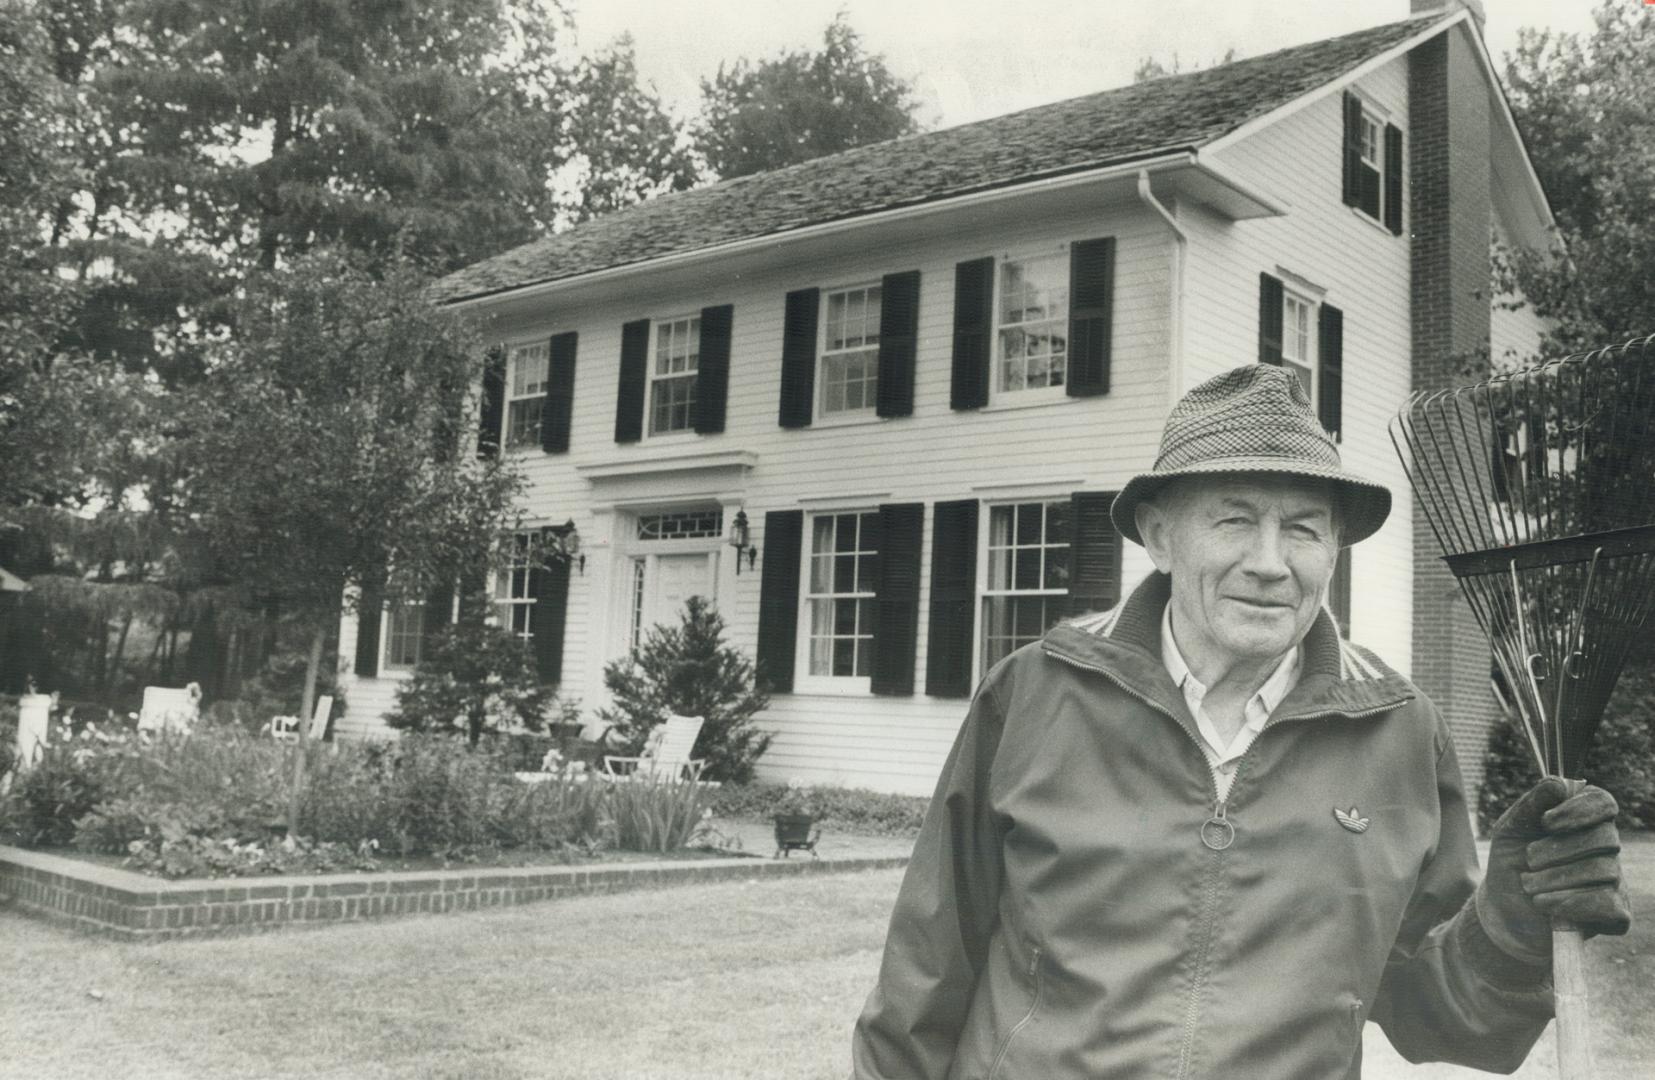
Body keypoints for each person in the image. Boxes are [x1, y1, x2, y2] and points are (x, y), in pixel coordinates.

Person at [849, 365, 1631, 1079]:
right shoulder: (1032, 694)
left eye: (1301, 527)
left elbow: (1445, 1018)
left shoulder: (1397, 730)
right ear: (1158, 536)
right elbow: (924, 979)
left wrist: (1515, 920)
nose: (1268, 560)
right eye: (1232, 520)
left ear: (1332, 549)